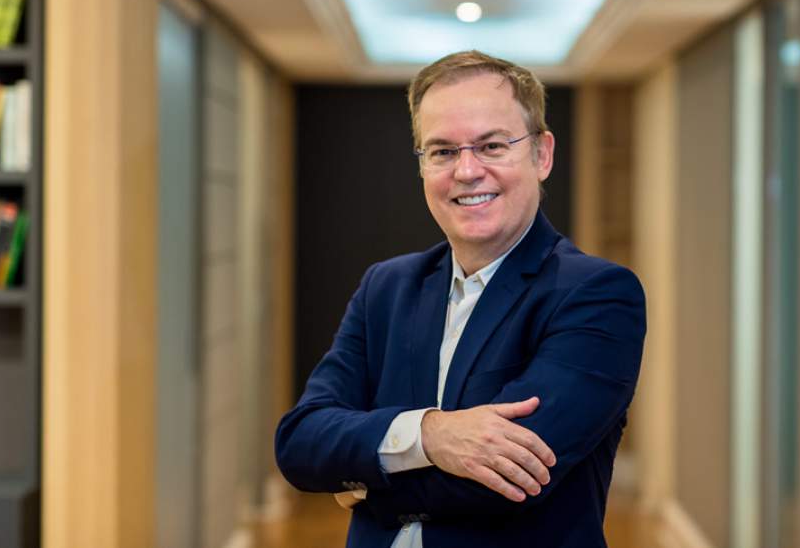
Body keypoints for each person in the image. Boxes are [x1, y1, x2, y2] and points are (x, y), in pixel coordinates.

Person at [275, 50, 647, 548]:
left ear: (542, 155)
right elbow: (300, 442)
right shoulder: (386, 287)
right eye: (443, 151)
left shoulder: (596, 294)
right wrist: (429, 435)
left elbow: (511, 480)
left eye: (491, 145)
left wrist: (361, 481)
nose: (467, 171)